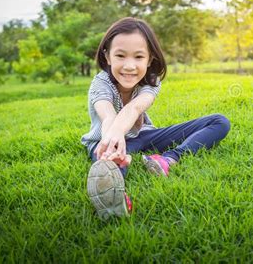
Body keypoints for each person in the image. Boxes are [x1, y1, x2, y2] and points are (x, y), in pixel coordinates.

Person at [81, 17, 230, 219]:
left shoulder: (151, 81)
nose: (129, 66)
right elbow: (107, 115)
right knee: (109, 163)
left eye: (139, 57)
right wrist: (113, 141)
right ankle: (115, 200)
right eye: (121, 56)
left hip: (144, 135)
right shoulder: (100, 83)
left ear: (150, 58)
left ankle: (169, 158)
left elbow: (135, 107)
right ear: (107, 57)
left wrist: (121, 132)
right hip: (105, 140)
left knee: (219, 121)